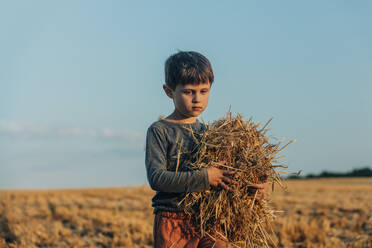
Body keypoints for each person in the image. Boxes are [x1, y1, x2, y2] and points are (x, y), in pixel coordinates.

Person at [145, 51, 269, 248]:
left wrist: (253, 188)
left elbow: (226, 176)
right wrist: (205, 178)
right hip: (173, 220)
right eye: (188, 91)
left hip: (208, 220)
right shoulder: (160, 131)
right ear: (169, 91)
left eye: (204, 91)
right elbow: (157, 178)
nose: (197, 99)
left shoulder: (211, 134)